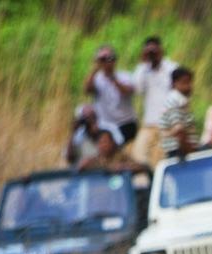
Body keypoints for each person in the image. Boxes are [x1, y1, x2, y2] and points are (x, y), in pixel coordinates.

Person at [132, 36, 178, 167]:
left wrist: (158, 62)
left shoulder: (171, 67)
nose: (152, 53)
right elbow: (136, 89)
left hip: (167, 125)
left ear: (161, 50)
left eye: (154, 50)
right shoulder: (143, 69)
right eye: (149, 51)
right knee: (138, 156)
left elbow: (176, 89)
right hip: (149, 124)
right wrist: (144, 63)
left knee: (161, 161)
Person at [83, 45, 138, 144]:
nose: (105, 62)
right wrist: (95, 69)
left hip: (126, 123)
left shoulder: (125, 76)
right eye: (102, 59)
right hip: (105, 125)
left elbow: (127, 91)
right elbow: (87, 90)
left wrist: (112, 77)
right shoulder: (96, 79)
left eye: (108, 58)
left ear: (115, 60)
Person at [159, 67, 198, 159]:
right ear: (174, 83)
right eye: (185, 82)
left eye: (190, 82)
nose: (189, 86)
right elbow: (179, 131)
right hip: (180, 153)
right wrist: (191, 152)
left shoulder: (178, 100)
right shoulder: (176, 101)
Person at [78, 129, 148, 173]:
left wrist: (123, 167)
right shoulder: (94, 160)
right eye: (101, 142)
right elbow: (80, 168)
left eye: (106, 142)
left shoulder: (121, 157)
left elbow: (142, 167)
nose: (103, 145)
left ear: (112, 143)